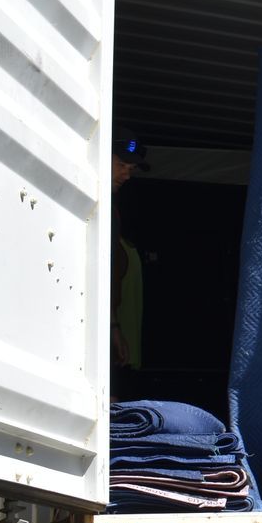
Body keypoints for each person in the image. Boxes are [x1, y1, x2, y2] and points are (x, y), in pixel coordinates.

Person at [111, 138, 148, 388]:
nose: (127, 175)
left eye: (131, 169)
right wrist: (113, 328)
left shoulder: (113, 211)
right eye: (122, 164)